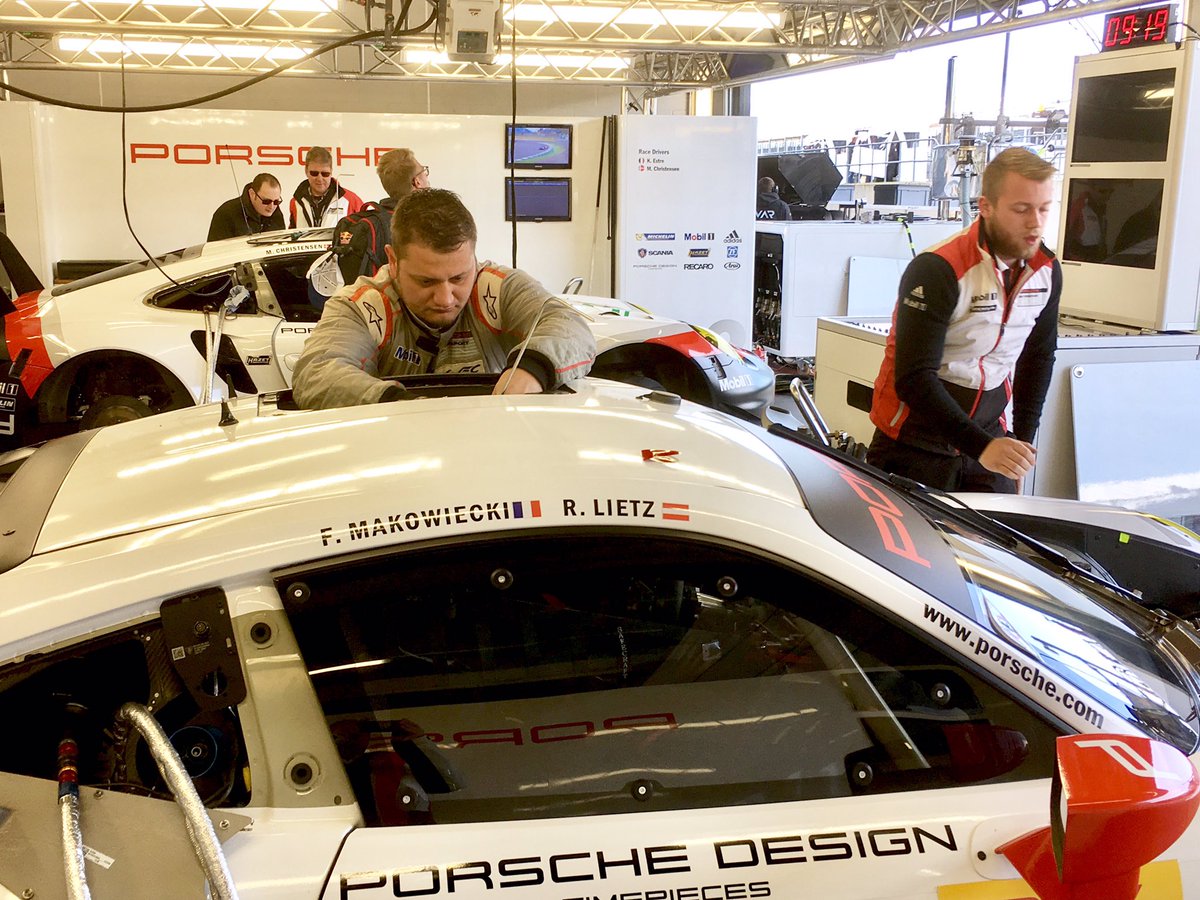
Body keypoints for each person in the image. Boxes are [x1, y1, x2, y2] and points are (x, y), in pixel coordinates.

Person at [866, 147, 1062, 493]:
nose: (1035, 223)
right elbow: (913, 378)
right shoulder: (938, 268)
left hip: (988, 431)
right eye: (1021, 210)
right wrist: (982, 447)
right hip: (914, 440)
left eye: (1044, 209)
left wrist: (1021, 443)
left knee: (994, 544)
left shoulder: (1045, 270)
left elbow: (1038, 357)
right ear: (985, 207)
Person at [292, 188, 595, 407]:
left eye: (459, 278)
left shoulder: (497, 288)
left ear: (474, 257)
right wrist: (398, 404)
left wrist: (534, 368)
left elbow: (569, 326)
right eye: (426, 281)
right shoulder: (361, 305)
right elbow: (317, 372)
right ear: (392, 260)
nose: (446, 298)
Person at [332, 148, 430, 284]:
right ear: (417, 181)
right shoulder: (423, 224)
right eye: (424, 171)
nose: (426, 176)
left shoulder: (377, 220)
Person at [288, 146, 363, 228]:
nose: (319, 179)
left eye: (325, 174)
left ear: (331, 172)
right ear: (306, 171)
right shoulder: (295, 202)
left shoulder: (352, 201)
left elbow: (364, 233)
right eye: (314, 173)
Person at [207, 173, 285, 241]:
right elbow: (215, 253)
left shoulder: (275, 211)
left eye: (277, 202)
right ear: (252, 194)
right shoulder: (226, 214)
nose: (271, 206)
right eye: (266, 201)